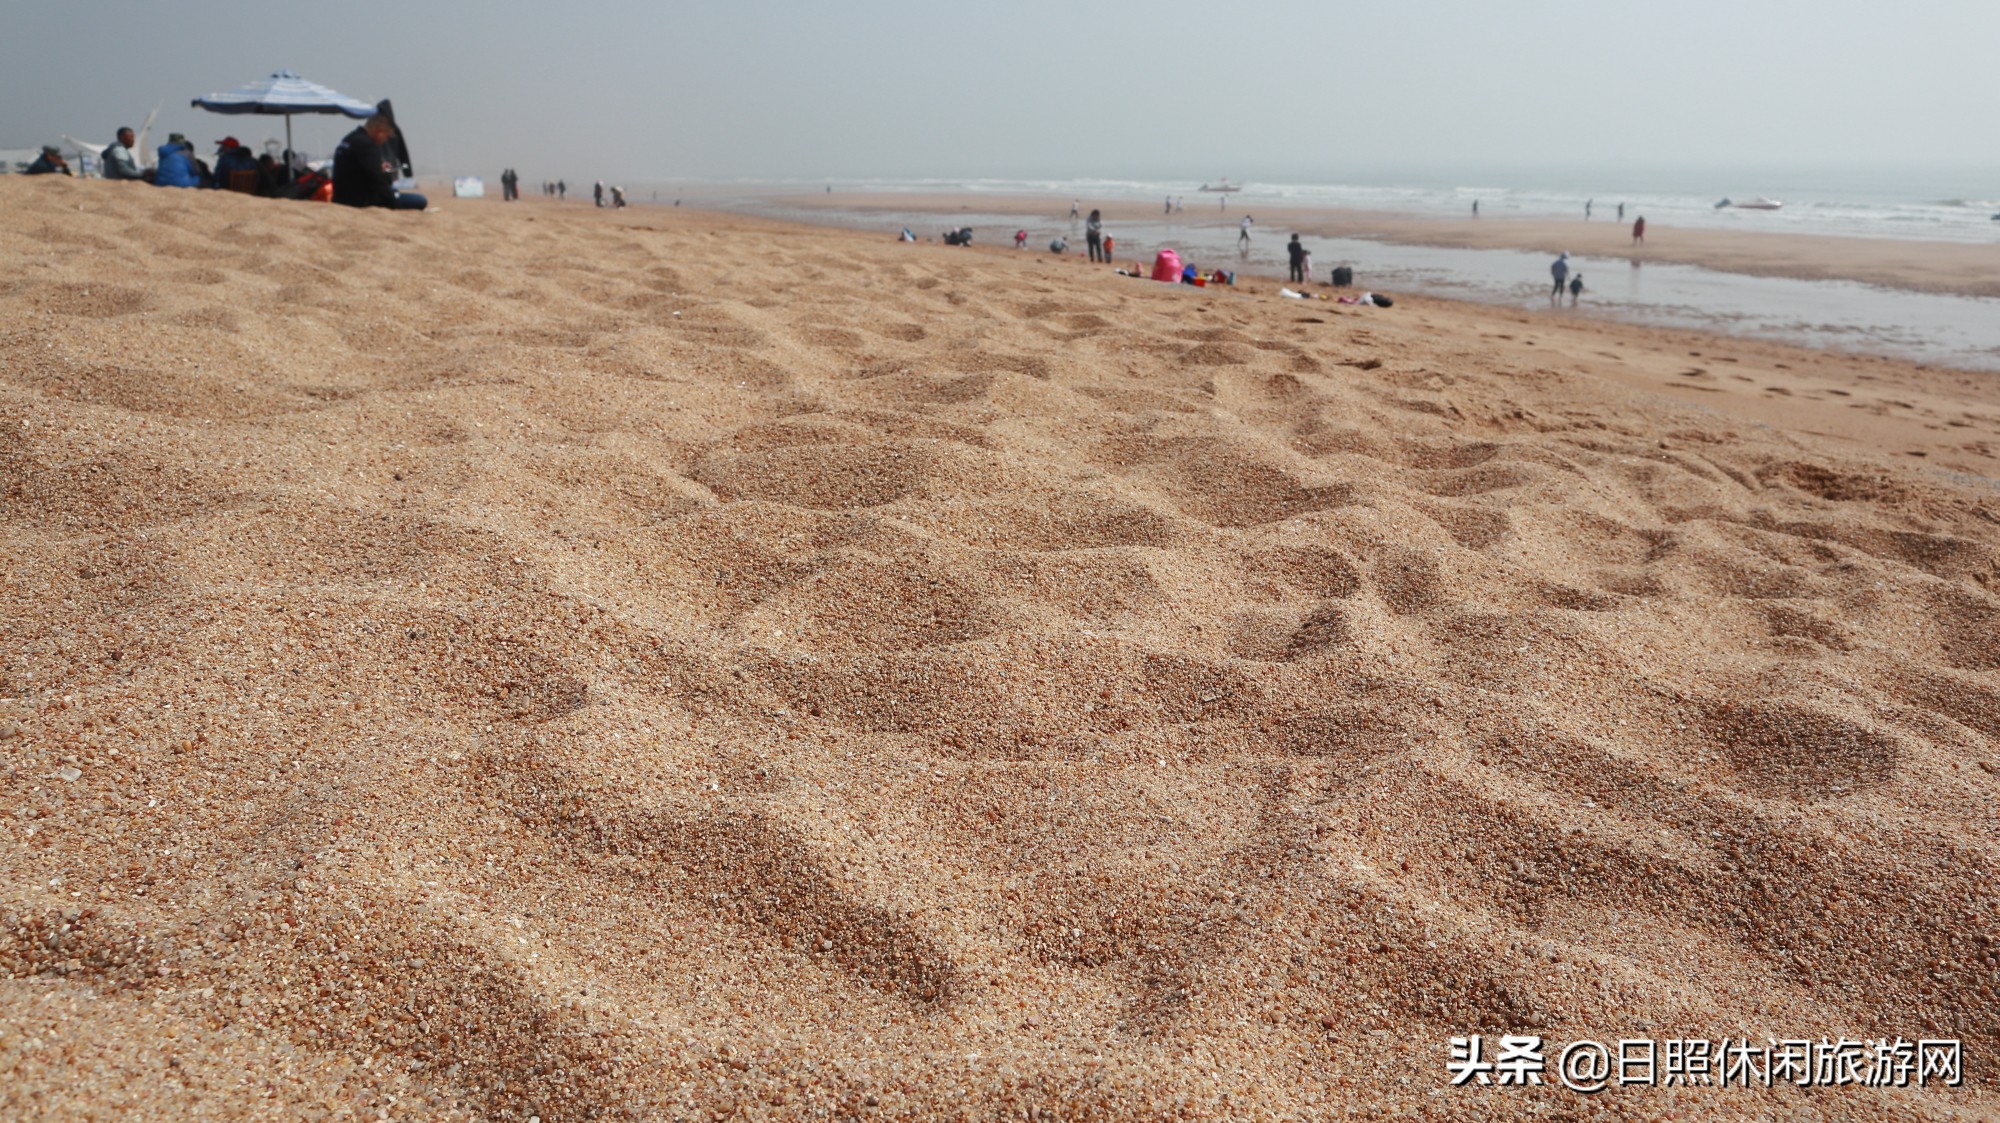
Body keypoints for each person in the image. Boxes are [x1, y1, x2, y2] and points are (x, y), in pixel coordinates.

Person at [332, 115, 427, 210]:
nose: (385, 141)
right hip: (359, 200)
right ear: (380, 131)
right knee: (420, 200)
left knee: (395, 191)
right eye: (387, 136)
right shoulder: (367, 145)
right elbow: (380, 182)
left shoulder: (350, 138)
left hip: (341, 197)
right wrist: (396, 205)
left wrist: (377, 168)